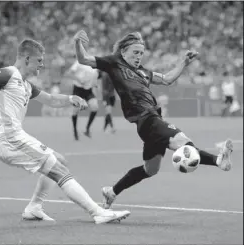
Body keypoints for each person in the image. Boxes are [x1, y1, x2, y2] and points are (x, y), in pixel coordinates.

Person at [0, 39, 130, 224]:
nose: (42, 64)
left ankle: (34, 208)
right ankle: (97, 212)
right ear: (27, 59)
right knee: (58, 169)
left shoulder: (25, 84)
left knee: (58, 161)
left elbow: (50, 99)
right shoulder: (7, 74)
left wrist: (71, 97)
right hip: (10, 140)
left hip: (17, 137)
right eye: (39, 60)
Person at [73, 30, 233, 209]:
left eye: (141, 53)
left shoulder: (143, 72)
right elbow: (84, 59)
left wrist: (183, 63)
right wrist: (77, 43)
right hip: (146, 118)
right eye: (135, 52)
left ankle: (112, 192)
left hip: (151, 121)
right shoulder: (113, 63)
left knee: (150, 169)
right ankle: (219, 160)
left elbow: (167, 79)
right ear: (124, 51)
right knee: (181, 140)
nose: (139, 56)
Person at [66, 59, 99, 140]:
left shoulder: (95, 66)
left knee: (95, 107)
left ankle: (87, 129)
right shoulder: (79, 62)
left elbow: (94, 79)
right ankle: (75, 131)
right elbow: (69, 73)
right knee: (75, 111)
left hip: (88, 90)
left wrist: (95, 84)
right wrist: (79, 80)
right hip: (78, 89)